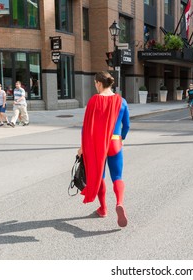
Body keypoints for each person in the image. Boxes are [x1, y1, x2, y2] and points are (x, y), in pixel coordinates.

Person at [77, 71, 130, 228]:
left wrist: (82, 147)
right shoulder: (122, 101)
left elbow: (86, 127)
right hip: (115, 143)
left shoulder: (94, 101)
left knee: (99, 175)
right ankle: (119, 203)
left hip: (97, 145)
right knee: (117, 176)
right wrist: (122, 138)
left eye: (95, 83)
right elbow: (126, 125)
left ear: (99, 83)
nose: (95, 86)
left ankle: (103, 208)